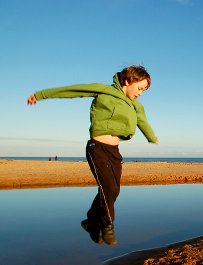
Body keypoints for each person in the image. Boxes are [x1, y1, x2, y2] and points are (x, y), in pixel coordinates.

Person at [27, 65, 159, 246]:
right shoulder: (104, 90)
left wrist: (152, 137)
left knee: (113, 190)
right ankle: (107, 225)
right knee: (109, 189)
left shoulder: (136, 105)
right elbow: (74, 90)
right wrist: (41, 95)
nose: (141, 93)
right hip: (97, 147)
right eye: (140, 88)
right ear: (128, 81)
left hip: (114, 152)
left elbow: (142, 121)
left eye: (144, 90)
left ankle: (91, 222)